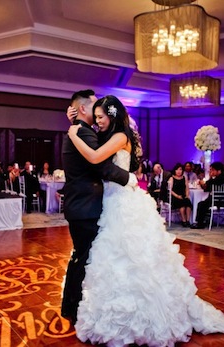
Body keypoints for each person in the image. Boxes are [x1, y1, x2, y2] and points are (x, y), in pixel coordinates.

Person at [67, 95, 224, 346]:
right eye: (96, 116)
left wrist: (74, 133)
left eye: (101, 117)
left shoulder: (120, 136)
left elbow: (96, 157)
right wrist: (77, 122)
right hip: (110, 201)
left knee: (133, 258)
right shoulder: (109, 135)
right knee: (112, 258)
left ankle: (143, 316)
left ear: (112, 115)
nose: (97, 121)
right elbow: (96, 147)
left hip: (122, 202)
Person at [61, 90, 136, 325]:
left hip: (90, 205)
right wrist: (129, 179)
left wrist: (73, 124)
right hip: (86, 206)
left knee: (88, 257)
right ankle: (74, 309)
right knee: (85, 259)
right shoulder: (83, 133)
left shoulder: (86, 131)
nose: (97, 113)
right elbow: (102, 167)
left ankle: (73, 306)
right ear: (84, 109)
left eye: (102, 113)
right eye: (93, 107)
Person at [190, 162, 224, 229]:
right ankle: (203, 221)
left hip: (217, 201)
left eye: (212, 170)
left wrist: (209, 178)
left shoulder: (218, 178)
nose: (211, 171)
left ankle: (200, 223)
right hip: (222, 200)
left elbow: (207, 187)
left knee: (201, 204)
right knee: (203, 203)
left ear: (219, 170)